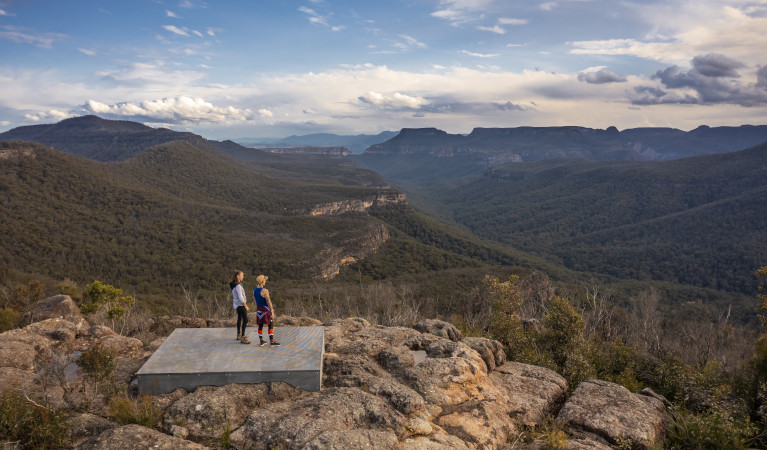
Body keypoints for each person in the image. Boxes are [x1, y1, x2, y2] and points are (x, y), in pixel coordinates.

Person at [253, 275, 279, 346]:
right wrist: (272, 311)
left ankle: (261, 341)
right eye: (264, 280)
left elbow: (255, 301)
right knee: (270, 324)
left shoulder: (254, 290)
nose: (265, 281)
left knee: (260, 325)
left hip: (259, 309)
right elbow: (269, 301)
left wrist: (257, 309)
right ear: (261, 282)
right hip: (266, 310)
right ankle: (272, 341)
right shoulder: (265, 290)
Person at [230, 270, 251, 344]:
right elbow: (240, 297)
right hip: (241, 304)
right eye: (242, 275)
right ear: (237, 276)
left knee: (240, 318)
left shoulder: (234, 284)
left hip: (237, 304)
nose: (243, 276)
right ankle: (243, 336)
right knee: (245, 320)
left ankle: (239, 334)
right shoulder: (238, 286)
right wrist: (246, 305)